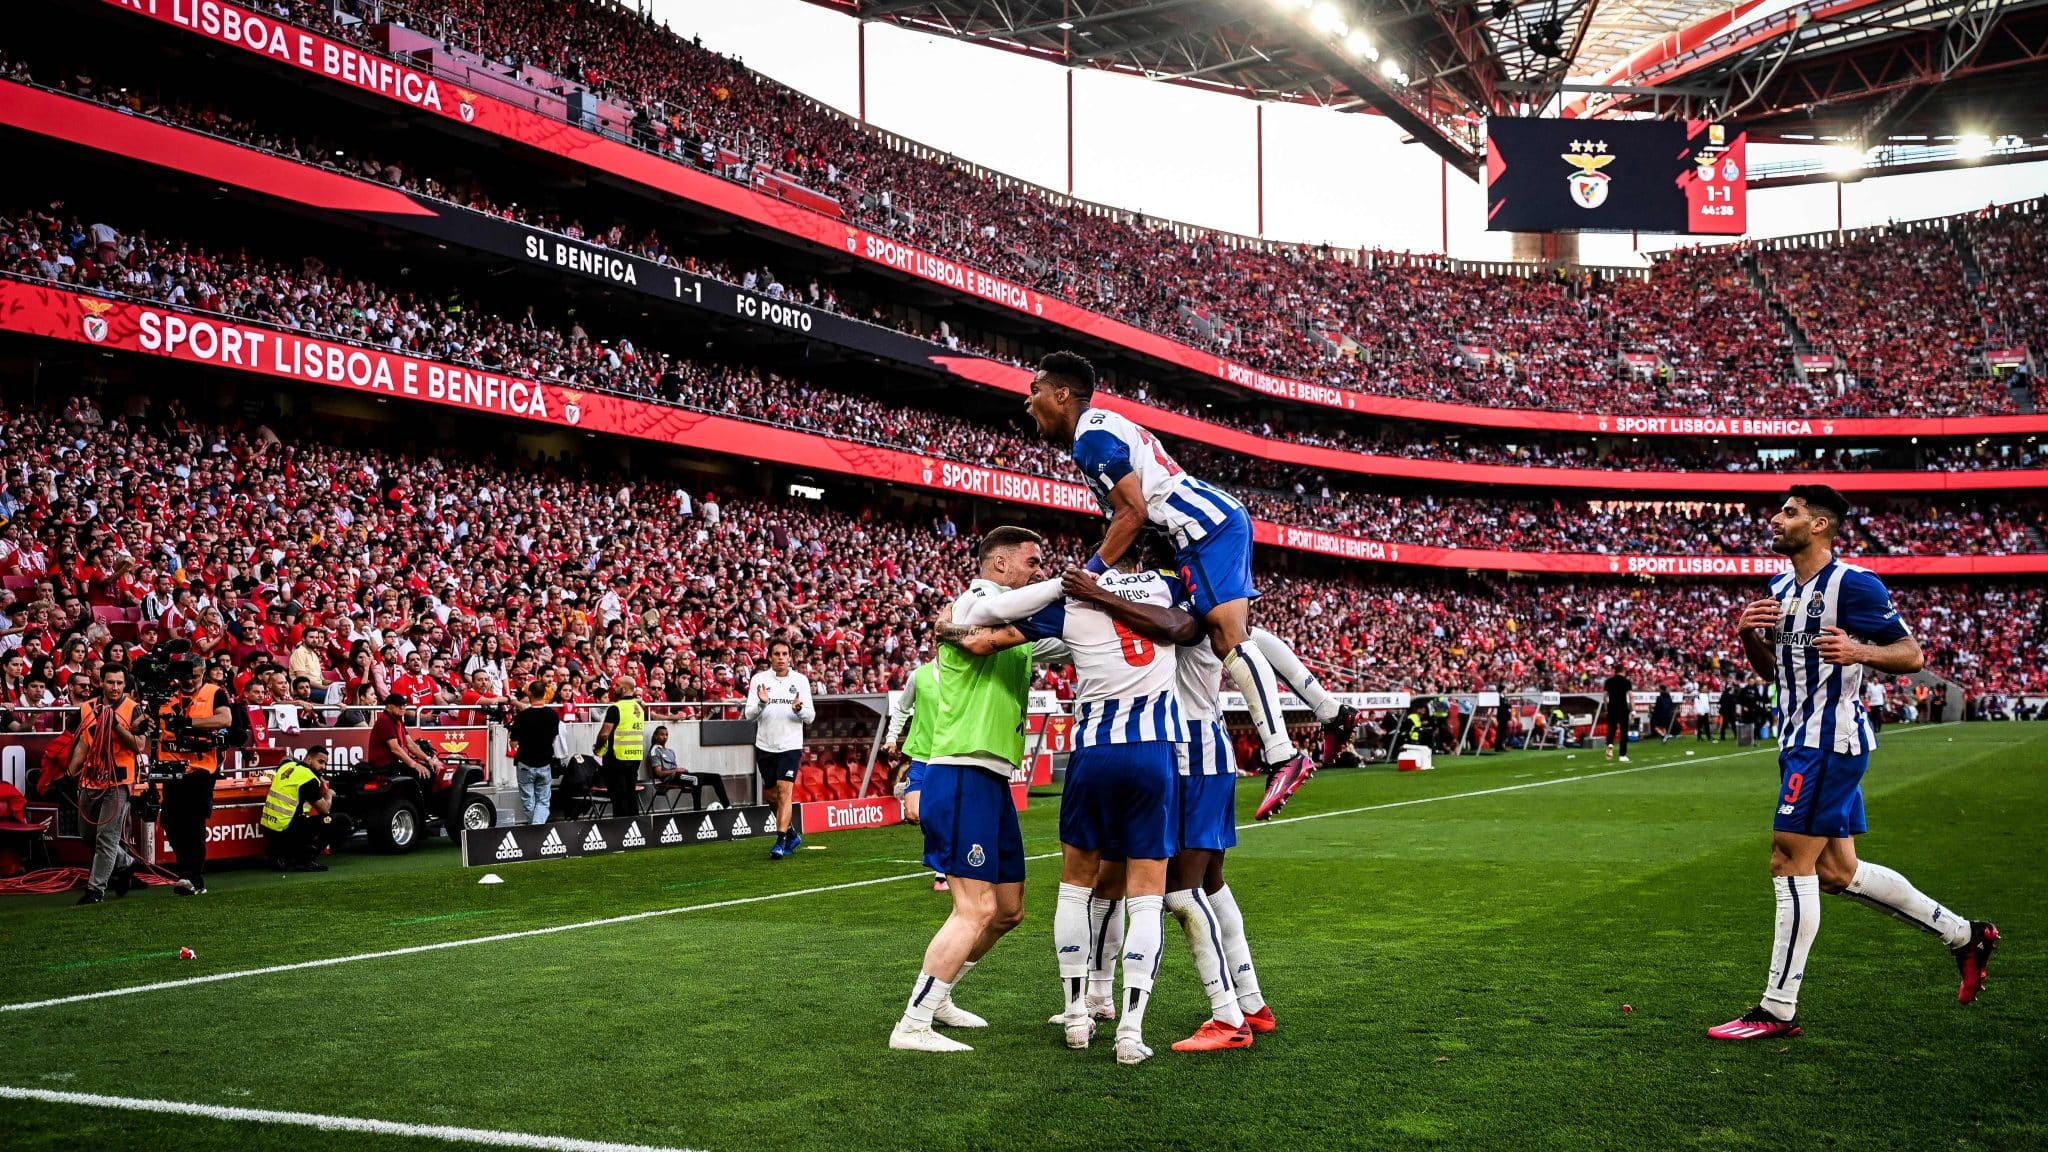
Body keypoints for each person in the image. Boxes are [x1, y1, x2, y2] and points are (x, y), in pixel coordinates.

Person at [1710, 485, 1999, 1041]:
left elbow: (1911, 654)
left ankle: (1777, 1009)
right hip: (1797, 740)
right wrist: (1749, 637)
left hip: (1828, 742)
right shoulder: (1779, 589)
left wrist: (1860, 651)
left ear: (1819, 525)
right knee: (1837, 873)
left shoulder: (1854, 584)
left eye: (1790, 512)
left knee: (1787, 860)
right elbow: (1776, 674)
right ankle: (1965, 936)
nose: (1776, 519)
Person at [1025, 351, 1356, 820]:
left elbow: (1133, 512)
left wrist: (1093, 573)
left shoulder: (1090, 437)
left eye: (1035, 390)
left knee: (1228, 639)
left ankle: (1283, 755)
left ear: (1062, 394)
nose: (1028, 401)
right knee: (1241, 636)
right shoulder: (1099, 429)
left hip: (1201, 530)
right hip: (1204, 525)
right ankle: (1331, 711)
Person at [945, 554, 1199, 1065]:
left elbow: (978, 638)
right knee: (1146, 897)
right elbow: (1196, 625)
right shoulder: (1167, 587)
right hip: (1153, 753)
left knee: (1074, 887)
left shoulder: (1073, 599)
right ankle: (1130, 1031)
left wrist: (945, 627)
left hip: (1093, 754)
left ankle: (1077, 1014)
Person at [1053, 531, 1274, 1052]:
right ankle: (1244, 1002)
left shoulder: (1184, 609)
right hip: (1172, 756)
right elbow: (1269, 651)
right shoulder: (1197, 608)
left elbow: (1227, 639)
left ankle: (1228, 1014)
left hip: (1184, 757)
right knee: (1153, 882)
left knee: (1176, 890)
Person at [887, 527, 1047, 1054]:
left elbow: (1059, 636)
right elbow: (996, 619)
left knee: (1007, 911)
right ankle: (912, 1024)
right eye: (1032, 562)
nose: (1040, 571)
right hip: (960, 772)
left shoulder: (1013, 620)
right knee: (974, 908)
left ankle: (940, 996)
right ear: (1000, 564)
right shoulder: (977, 600)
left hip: (992, 775)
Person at [154, 650, 232, 896]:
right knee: (170, 820)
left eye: (195, 677)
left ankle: (192, 876)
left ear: (203, 674)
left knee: (193, 821)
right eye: (185, 676)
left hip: (201, 767)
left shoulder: (214, 692)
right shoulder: (165, 693)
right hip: (170, 765)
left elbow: (225, 719)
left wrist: (189, 724)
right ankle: (186, 871)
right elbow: (148, 720)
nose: (189, 681)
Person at [67, 664, 144, 904]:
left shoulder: (133, 708)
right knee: (87, 833)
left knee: (107, 836)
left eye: (120, 683)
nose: (115, 687)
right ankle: (126, 862)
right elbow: (84, 742)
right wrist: (70, 772)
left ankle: (95, 890)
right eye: (110, 682)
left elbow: (139, 745)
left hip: (120, 780)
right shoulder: (87, 707)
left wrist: (116, 726)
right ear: (101, 682)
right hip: (92, 778)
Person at [744, 639, 815, 859]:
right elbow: (748, 714)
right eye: (777, 654)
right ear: (770, 657)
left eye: (785, 654)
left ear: (790, 657)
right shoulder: (759, 680)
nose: (781, 658)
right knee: (771, 795)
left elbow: (810, 717)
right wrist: (762, 703)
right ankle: (792, 834)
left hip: (790, 746)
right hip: (765, 745)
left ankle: (780, 840)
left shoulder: (800, 680)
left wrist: (799, 709)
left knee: (785, 792)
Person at [884, 658, 948, 891]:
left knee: (944, 813)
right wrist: (892, 737)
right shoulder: (919, 675)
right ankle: (914, 791)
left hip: (949, 756)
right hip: (921, 754)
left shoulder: (964, 673)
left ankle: (941, 870)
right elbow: (902, 707)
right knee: (913, 814)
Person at [260, 746, 351, 871]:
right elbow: (325, 810)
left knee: (303, 818)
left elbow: (285, 758)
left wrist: (319, 777)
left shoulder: (286, 766)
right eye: (320, 762)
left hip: (271, 833)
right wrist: (329, 794)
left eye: (325, 763)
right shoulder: (309, 779)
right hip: (286, 832)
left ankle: (286, 856)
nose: (323, 767)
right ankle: (304, 859)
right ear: (308, 759)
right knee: (342, 820)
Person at [592, 675, 646, 817]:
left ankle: (620, 827)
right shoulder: (639, 708)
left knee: (619, 797)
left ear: (624, 689)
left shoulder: (615, 708)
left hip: (617, 757)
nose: (613, 688)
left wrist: (597, 748)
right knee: (631, 794)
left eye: (617, 685)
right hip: (635, 756)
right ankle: (634, 825)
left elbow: (604, 734)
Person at [507, 680, 559, 825]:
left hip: (525, 762)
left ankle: (534, 827)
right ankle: (537, 827)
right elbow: (554, 737)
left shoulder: (522, 716)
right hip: (545, 762)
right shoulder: (553, 715)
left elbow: (513, 743)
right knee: (543, 800)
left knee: (528, 800)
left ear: (529, 693)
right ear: (545, 693)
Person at [648, 724, 730, 808]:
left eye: (666, 735)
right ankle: (697, 810)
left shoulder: (670, 751)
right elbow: (659, 773)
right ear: (656, 736)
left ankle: (727, 806)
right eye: (662, 734)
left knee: (716, 777)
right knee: (696, 779)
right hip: (670, 778)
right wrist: (676, 770)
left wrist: (680, 770)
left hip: (679, 776)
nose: (665, 737)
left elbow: (675, 769)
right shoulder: (654, 751)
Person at [365, 693, 439, 784]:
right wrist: (414, 764)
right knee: (423, 774)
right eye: (399, 706)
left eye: (404, 705)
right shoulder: (385, 721)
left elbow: (410, 744)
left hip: (394, 764)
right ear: (389, 706)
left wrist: (428, 759)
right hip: (383, 767)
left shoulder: (398, 720)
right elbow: (395, 749)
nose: (402, 708)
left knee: (430, 769)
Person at [1602, 664, 1632, 762]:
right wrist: (1633, 709)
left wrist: (1606, 709)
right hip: (1623, 708)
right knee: (1624, 732)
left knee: (1611, 731)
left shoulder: (1609, 681)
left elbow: (1605, 696)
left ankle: (1609, 749)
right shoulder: (1626, 682)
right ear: (1623, 671)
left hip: (1612, 708)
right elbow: (1631, 696)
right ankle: (1622, 755)